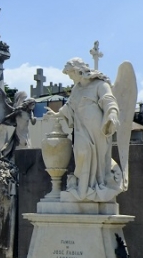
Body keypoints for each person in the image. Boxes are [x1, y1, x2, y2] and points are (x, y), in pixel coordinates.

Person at [47, 57, 121, 202]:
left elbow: (109, 100)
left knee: (98, 159)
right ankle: (83, 188)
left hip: (97, 128)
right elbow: (69, 106)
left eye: (70, 73)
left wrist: (112, 113)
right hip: (81, 127)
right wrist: (58, 114)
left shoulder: (100, 84)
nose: (69, 77)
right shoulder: (77, 88)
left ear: (78, 70)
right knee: (81, 153)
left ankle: (94, 187)